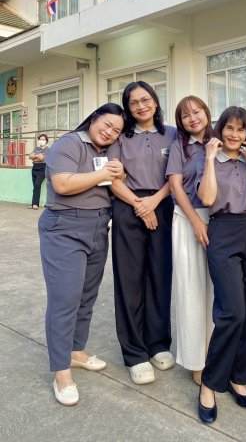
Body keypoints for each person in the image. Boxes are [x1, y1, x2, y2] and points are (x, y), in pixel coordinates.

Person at [38, 103, 125, 406]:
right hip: (64, 228)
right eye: (107, 124)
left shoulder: (110, 150)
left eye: (116, 130)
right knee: (65, 299)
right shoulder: (69, 143)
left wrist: (119, 173)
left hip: (99, 226)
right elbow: (62, 184)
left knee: (86, 296)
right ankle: (61, 371)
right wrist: (103, 173)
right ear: (94, 118)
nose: (110, 132)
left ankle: (76, 351)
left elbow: (115, 183)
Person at [197, 106, 246, 423]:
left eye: (241, 129)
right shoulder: (211, 158)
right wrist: (209, 159)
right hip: (223, 231)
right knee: (232, 312)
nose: (234, 134)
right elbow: (207, 199)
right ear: (220, 129)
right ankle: (210, 383)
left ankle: (239, 377)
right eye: (229, 127)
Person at [109, 82, 177, 385]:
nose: (140, 106)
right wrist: (139, 204)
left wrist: (154, 202)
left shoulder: (172, 134)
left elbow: (178, 175)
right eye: (133, 102)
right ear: (128, 107)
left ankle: (158, 343)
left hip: (162, 205)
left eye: (145, 99)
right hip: (128, 206)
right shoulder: (120, 137)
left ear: (155, 101)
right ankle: (135, 353)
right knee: (130, 279)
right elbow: (112, 178)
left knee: (160, 276)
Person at [166, 96, 215, 386]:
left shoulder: (220, 140)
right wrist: (196, 221)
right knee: (191, 292)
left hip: (221, 219)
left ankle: (216, 355)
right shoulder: (179, 146)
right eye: (185, 116)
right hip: (188, 219)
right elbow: (175, 186)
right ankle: (197, 361)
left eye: (196, 112)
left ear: (206, 113)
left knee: (218, 295)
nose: (192, 118)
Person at [29, 133, 50, 209]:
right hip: (34, 168)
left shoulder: (47, 149)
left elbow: (41, 159)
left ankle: (35, 204)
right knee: (35, 186)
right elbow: (30, 156)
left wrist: (34, 157)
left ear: (46, 141)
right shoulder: (36, 148)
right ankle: (34, 204)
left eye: (43, 139)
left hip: (42, 168)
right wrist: (37, 155)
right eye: (40, 139)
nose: (41, 141)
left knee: (37, 185)